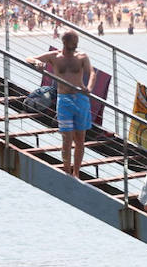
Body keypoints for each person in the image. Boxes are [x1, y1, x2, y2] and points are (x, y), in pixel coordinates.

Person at [28, 30, 96, 178]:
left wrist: (89, 88)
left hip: (81, 99)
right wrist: (37, 62)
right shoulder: (55, 56)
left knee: (80, 138)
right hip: (64, 99)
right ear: (65, 42)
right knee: (66, 138)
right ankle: (66, 170)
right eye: (73, 42)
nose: (76, 45)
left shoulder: (82, 56)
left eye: (76, 42)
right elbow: (29, 58)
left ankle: (76, 172)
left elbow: (92, 73)